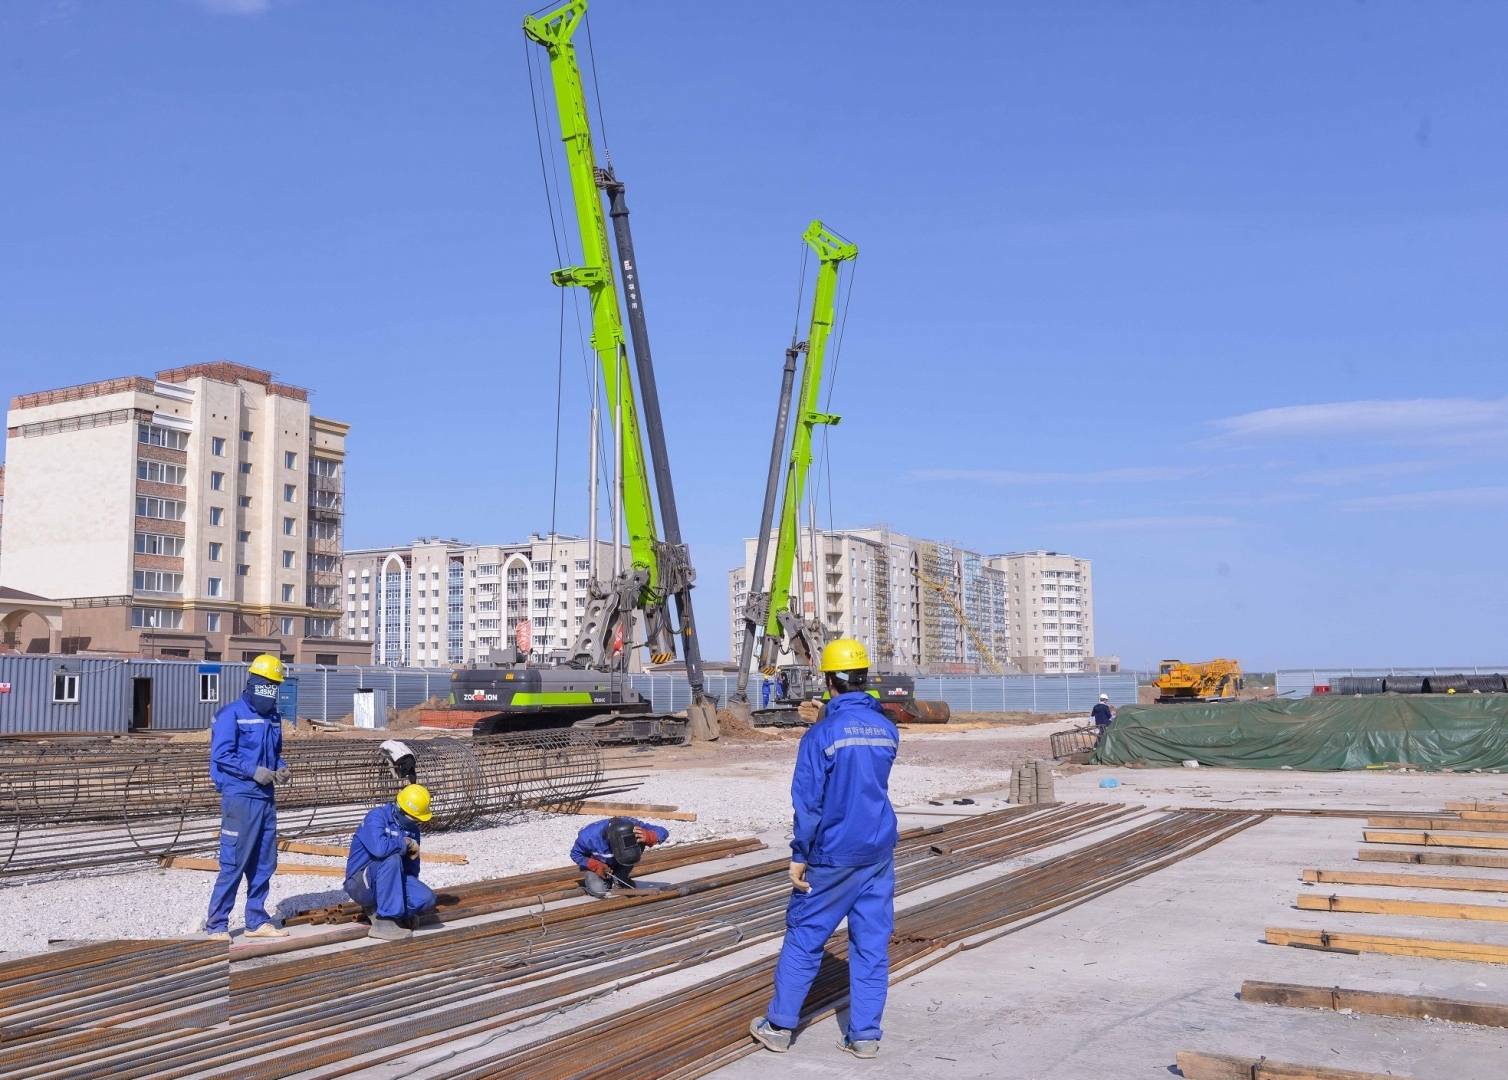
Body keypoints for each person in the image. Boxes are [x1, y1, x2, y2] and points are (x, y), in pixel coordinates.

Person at [751, 638, 898, 1060]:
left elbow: (809, 804)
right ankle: (865, 1036)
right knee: (870, 946)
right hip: (878, 854)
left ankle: (779, 1027)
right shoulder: (887, 729)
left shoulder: (821, 734)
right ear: (864, 679)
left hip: (832, 855)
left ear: (829, 680)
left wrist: (800, 854)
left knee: (805, 938)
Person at [205, 654, 291, 941]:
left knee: (264, 863)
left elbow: (275, 753)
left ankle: (256, 921)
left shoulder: (274, 716)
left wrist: (280, 768)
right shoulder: (232, 714)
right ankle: (217, 925)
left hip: (265, 799)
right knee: (234, 863)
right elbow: (221, 755)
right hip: (240, 798)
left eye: (275, 685)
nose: (272, 690)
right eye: (268, 684)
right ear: (255, 682)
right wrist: (252, 771)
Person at [344, 784, 438, 941]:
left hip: (388, 881)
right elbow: (379, 849)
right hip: (360, 883)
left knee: (426, 898)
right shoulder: (376, 817)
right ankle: (384, 923)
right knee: (392, 858)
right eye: (415, 818)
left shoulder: (412, 830)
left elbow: (411, 870)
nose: (416, 823)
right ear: (401, 810)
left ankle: (389, 913)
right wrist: (405, 843)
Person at [570, 816, 667, 898]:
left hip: (621, 863)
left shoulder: (633, 826)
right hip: (599, 866)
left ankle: (619, 879)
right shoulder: (588, 836)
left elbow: (663, 831)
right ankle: (611, 881)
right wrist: (595, 866)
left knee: (641, 841)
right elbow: (575, 854)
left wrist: (651, 836)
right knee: (599, 890)